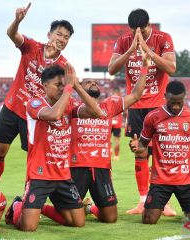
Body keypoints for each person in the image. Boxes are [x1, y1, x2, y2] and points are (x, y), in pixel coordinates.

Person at [5, 63, 103, 231]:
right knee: (28, 227)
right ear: (44, 86)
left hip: (63, 175)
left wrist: (77, 86)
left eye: (64, 84)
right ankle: (17, 207)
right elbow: (54, 114)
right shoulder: (34, 104)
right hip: (40, 174)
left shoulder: (69, 104)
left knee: (77, 222)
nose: (62, 88)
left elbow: (96, 112)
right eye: (58, 85)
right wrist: (69, 89)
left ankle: (39, 207)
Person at [0, 2, 74, 187]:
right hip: (13, 106)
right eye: (59, 34)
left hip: (36, 116)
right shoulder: (32, 47)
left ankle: (30, 199)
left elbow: (65, 92)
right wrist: (17, 20)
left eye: (66, 37)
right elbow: (11, 34)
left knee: (35, 158)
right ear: (49, 34)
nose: (62, 39)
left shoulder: (64, 66)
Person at [70, 43, 149, 223]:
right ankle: (40, 206)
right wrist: (73, 85)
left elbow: (136, 95)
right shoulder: (72, 106)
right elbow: (89, 110)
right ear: (80, 86)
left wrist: (144, 67)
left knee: (110, 218)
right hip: (76, 167)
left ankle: (88, 207)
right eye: (89, 81)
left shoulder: (109, 105)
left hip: (101, 168)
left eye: (96, 82)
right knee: (72, 219)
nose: (94, 83)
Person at [108, 8, 177, 215]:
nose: (140, 35)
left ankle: (162, 201)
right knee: (140, 152)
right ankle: (142, 201)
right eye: (136, 31)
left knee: (159, 153)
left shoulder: (163, 38)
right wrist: (131, 51)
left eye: (144, 30)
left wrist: (146, 48)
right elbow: (111, 69)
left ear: (149, 25)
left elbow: (171, 68)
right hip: (136, 104)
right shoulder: (123, 41)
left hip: (158, 105)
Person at [129, 80, 190, 224]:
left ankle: (187, 210)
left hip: (186, 179)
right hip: (160, 180)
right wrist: (136, 146)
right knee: (148, 220)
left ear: (185, 97)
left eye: (179, 102)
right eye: (173, 102)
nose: (176, 106)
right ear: (165, 96)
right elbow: (143, 144)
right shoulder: (153, 117)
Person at [111, 87, 123, 161]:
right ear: (119, 92)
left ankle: (108, 151)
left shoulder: (108, 99)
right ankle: (116, 156)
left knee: (107, 139)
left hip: (109, 121)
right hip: (117, 122)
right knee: (117, 141)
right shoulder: (121, 100)